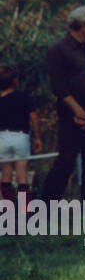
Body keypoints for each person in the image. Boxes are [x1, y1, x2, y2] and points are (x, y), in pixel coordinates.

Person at [42, 5, 85, 204]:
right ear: (84, 27)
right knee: (68, 158)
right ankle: (46, 205)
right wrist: (77, 109)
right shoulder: (59, 50)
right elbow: (59, 86)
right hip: (72, 112)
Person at [0, 63, 41, 204]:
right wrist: (38, 138)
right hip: (21, 137)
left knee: (6, 173)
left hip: (3, 137)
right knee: (21, 174)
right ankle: (25, 209)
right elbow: (34, 118)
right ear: (14, 80)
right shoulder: (24, 97)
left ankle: (8, 206)